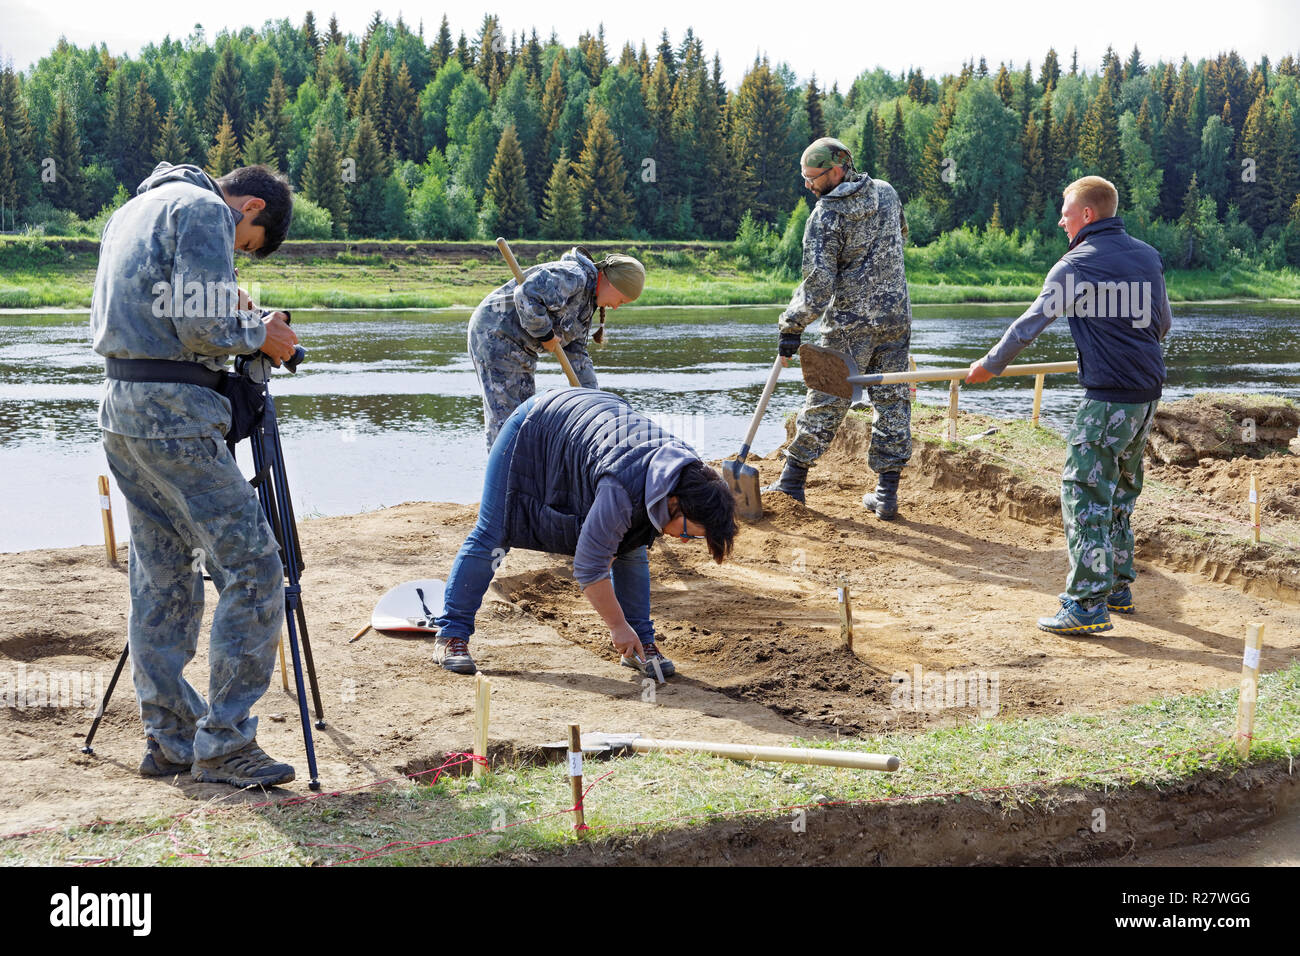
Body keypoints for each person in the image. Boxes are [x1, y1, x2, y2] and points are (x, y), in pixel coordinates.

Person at [91, 162, 301, 787]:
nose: (236, 253)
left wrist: (233, 319)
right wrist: (263, 336)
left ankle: (171, 738)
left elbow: (164, 312)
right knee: (256, 568)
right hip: (177, 418)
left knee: (162, 574)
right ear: (251, 209)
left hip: (121, 410)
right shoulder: (206, 210)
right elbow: (202, 325)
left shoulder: (130, 211)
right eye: (245, 248)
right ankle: (226, 743)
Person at [966, 175, 1172, 635]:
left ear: (1087, 215)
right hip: (1147, 396)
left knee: (1083, 495)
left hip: (1106, 400)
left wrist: (989, 366)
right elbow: (1162, 325)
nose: (1060, 219)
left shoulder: (1075, 265)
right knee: (1118, 492)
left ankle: (1085, 604)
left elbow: (1028, 326)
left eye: (1065, 211)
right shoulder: (1147, 255)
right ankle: (1117, 587)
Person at [431, 387, 738, 678]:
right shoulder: (622, 489)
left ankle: (641, 644)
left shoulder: (691, 476)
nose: (685, 540)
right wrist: (617, 626)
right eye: (688, 532)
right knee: (493, 533)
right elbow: (589, 568)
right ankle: (451, 635)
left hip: (587, 433)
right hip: (532, 431)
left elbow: (623, 540)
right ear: (673, 502)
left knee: (630, 546)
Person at [764, 137, 913, 519]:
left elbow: (818, 284)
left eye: (813, 178)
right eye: (805, 178)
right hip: (896, 317)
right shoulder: (887, 193)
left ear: (838, 169)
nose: (809, 186)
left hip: (850, 324)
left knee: (828, 396)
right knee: (893, 400)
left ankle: (793, 481)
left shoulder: (826, 216)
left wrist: (792, 324)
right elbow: (902, 237)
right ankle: (887, 493)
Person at [468, 247, 645, 448]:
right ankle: (503, 475)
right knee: (507, 418)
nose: (616, 306)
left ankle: (519, 472)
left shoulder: (587, 305)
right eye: (620, 300)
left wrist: (594, 401)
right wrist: (545, 334)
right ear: (612, 284)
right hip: (496, 334)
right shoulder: (573, 276)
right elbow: (526, 295)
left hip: (522, 348)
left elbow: (576, 355)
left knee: (522, 420)